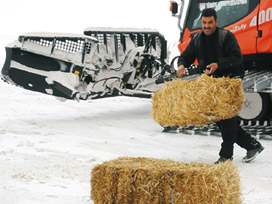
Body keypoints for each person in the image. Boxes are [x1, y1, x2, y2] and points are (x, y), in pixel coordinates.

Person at [177, 8, 264, 164]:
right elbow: (186, 56)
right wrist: (182, 65)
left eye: (210, 22)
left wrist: (219, 65)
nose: (207, 26)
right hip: (212, 85)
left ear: (216, 22)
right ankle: (252, 145)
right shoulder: (197, 39)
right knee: (221, 119)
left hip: (229, 82)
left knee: (227, 119)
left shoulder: (226, 37)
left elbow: (237, 57)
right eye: (204, 23)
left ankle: (226, 156)